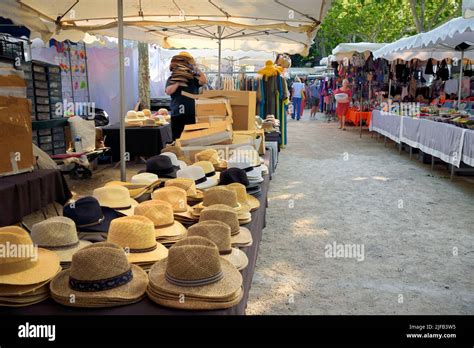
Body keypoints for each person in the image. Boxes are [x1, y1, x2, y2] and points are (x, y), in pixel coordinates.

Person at [165, 51, 208, 140]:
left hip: (192, 114)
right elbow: (168, 91)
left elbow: (204, 81)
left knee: (192, 139)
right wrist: (178, 81)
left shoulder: (193, 78)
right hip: (177, 114)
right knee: (177, 138)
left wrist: (196, 69)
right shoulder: (172, 79)